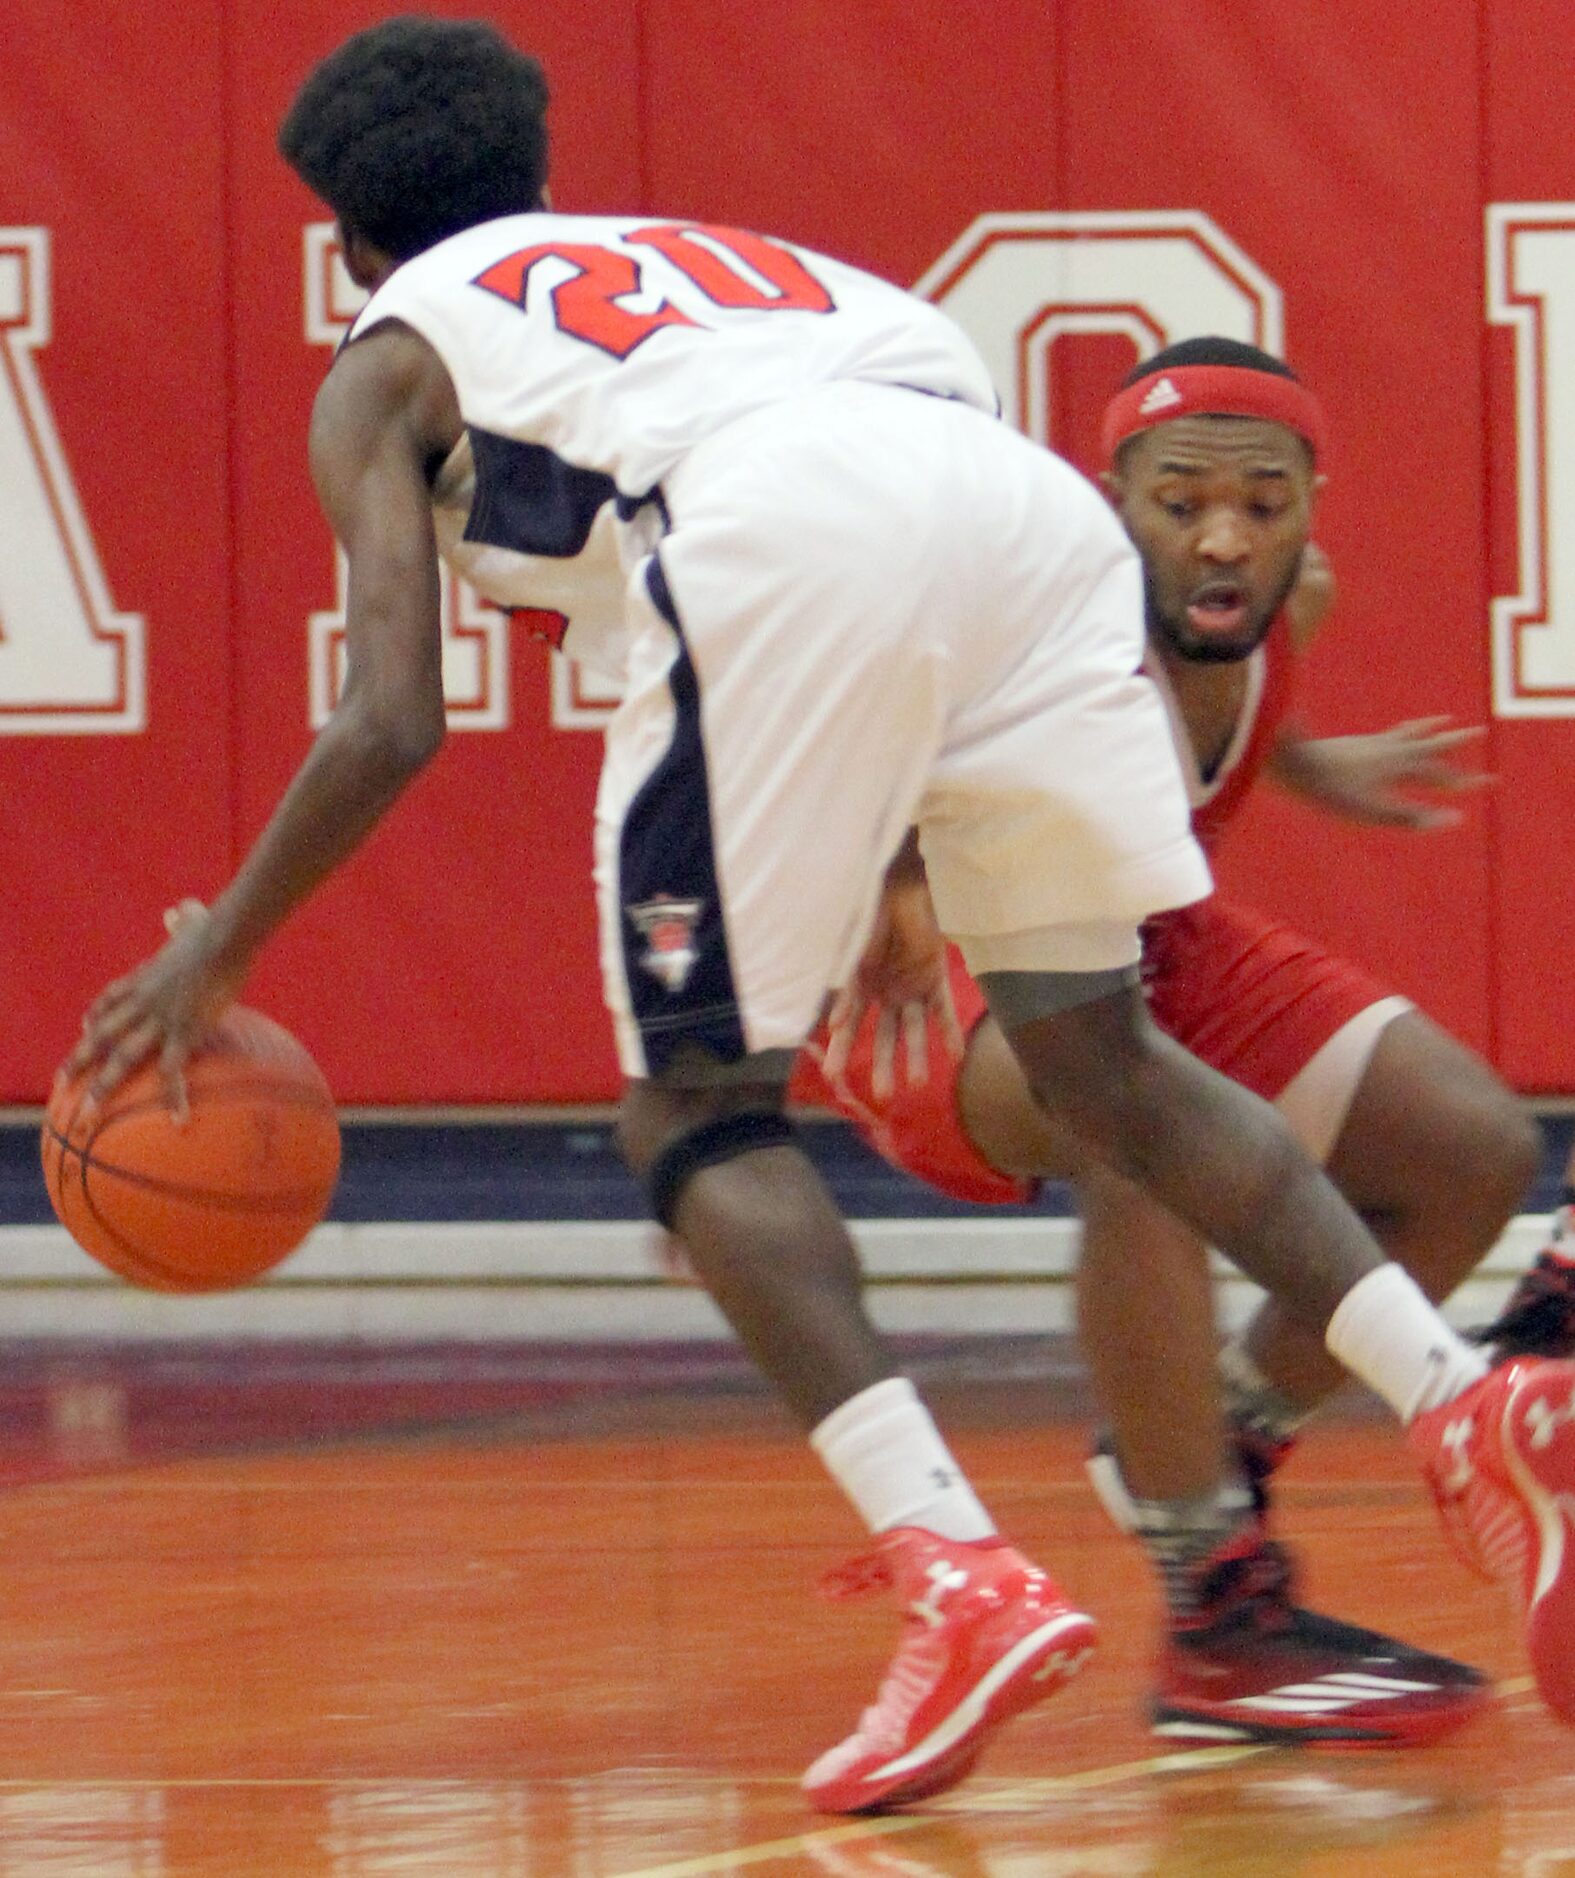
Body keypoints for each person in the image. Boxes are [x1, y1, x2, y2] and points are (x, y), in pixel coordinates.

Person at [63, 17, 1575, 1817]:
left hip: (775, 533)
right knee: (1111, 1056)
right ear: (537, 168)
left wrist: (214, 947)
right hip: (1022, 517)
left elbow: (394, 714)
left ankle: (958, 1571)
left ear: (344, 243)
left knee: (693, 1114)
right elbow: (918, 529)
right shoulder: (740, 268)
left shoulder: (387, 358)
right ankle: (1462, 1394)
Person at [791, 336, 1543, 1749]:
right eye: (1181, 496)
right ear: (1107, 497)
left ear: (1312, 504)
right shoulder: (1036, 614)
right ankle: (1211, 1600)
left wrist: (1318, 761)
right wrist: (886, 878)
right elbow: (849, 712)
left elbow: (1225, 698)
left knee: (1473, 1149)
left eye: (1264, 501)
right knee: (1122, 1116)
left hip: (1138, 940)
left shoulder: (1278, 601)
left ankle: (1219, 1444)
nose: (1224, 532)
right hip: (942, 962)